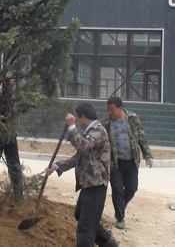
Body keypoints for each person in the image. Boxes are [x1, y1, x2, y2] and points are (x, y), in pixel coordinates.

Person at [46, 103, 120, 247]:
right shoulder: (89, 132)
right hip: (89, 184)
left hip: (96, 185)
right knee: (80, 215)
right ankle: (108, 242)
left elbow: (82, 145)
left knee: (85, 229)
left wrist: (72, 127)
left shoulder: (98, 131)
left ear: (83, 117)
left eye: (79, 120)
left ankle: (107, 243)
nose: (78, 124)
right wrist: (57, 166)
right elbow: (77, 157)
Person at [100, 96, 153, 230]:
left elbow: (141, 136)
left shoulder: (133, 118)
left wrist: (147, 155)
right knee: (117, 189)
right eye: (108, 110)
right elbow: (97, 133)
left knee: (132, 188)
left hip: (132, 162)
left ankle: (120, 207)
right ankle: (120, 217)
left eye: (112, 110)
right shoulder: (106, 122)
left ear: (120, 108)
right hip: (115, 163)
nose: (110, 113)